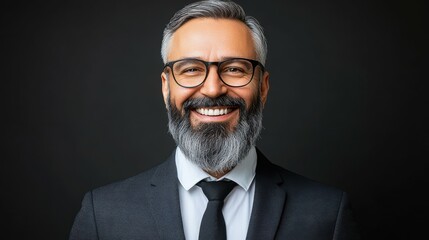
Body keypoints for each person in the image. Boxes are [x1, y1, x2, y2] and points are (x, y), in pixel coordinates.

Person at [69, 0, 360, 239]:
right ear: (166, 87)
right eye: (191, 69)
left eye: (234, 69)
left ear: (264, 87)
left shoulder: (326, 214)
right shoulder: (103, 215)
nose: (212, 89)